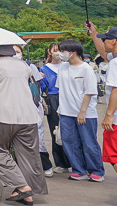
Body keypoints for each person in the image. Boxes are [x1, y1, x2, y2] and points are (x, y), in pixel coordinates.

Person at [0, 44, 47, 205]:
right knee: (29, 155)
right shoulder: (23, 65)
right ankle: (28, 194)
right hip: (28, 117)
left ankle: (22, 187)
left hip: (4, 116)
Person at [56, 39, 105, 181]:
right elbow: (62, 90)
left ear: (73, 52)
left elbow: (89, 92)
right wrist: (60, 108)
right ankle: (79, 169)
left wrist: (82, 111)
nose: (61, 54)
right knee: (69, 142)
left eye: (63, 51)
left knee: (89, 142)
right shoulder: (63, 68)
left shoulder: (86, 68)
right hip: (66, 112)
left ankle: (96, 170)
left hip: (84, 113)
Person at [15, 45, 53, 177]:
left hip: (32, 106)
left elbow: (38, 86)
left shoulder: (29, 67)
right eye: (13, 52)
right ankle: (25, 167)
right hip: (15, 108)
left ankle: (45, 165)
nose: (16, 54)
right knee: (20, 139)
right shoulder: (6, 68)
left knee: (38, 137)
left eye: (18, 51)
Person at [39, 43, 70, 173]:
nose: (58, 53)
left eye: (60, 50)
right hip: (53, 99)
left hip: (68, 97)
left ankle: (74, 161)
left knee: (70, 131)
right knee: (55, 131)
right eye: (55, 50)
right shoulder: (44, 69)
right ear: (49, 52)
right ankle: (61, 163)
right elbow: (42, 87)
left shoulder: (68, 66)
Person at [94, 27, 117, 175]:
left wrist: (108, 115)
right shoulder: (113, 59)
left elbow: (116, 89)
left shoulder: (115, 63)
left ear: (114, 41)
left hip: (116, 120)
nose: (104, 43)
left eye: (105, 40)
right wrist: (93, 32)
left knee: (114, 157)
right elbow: (103, 53)